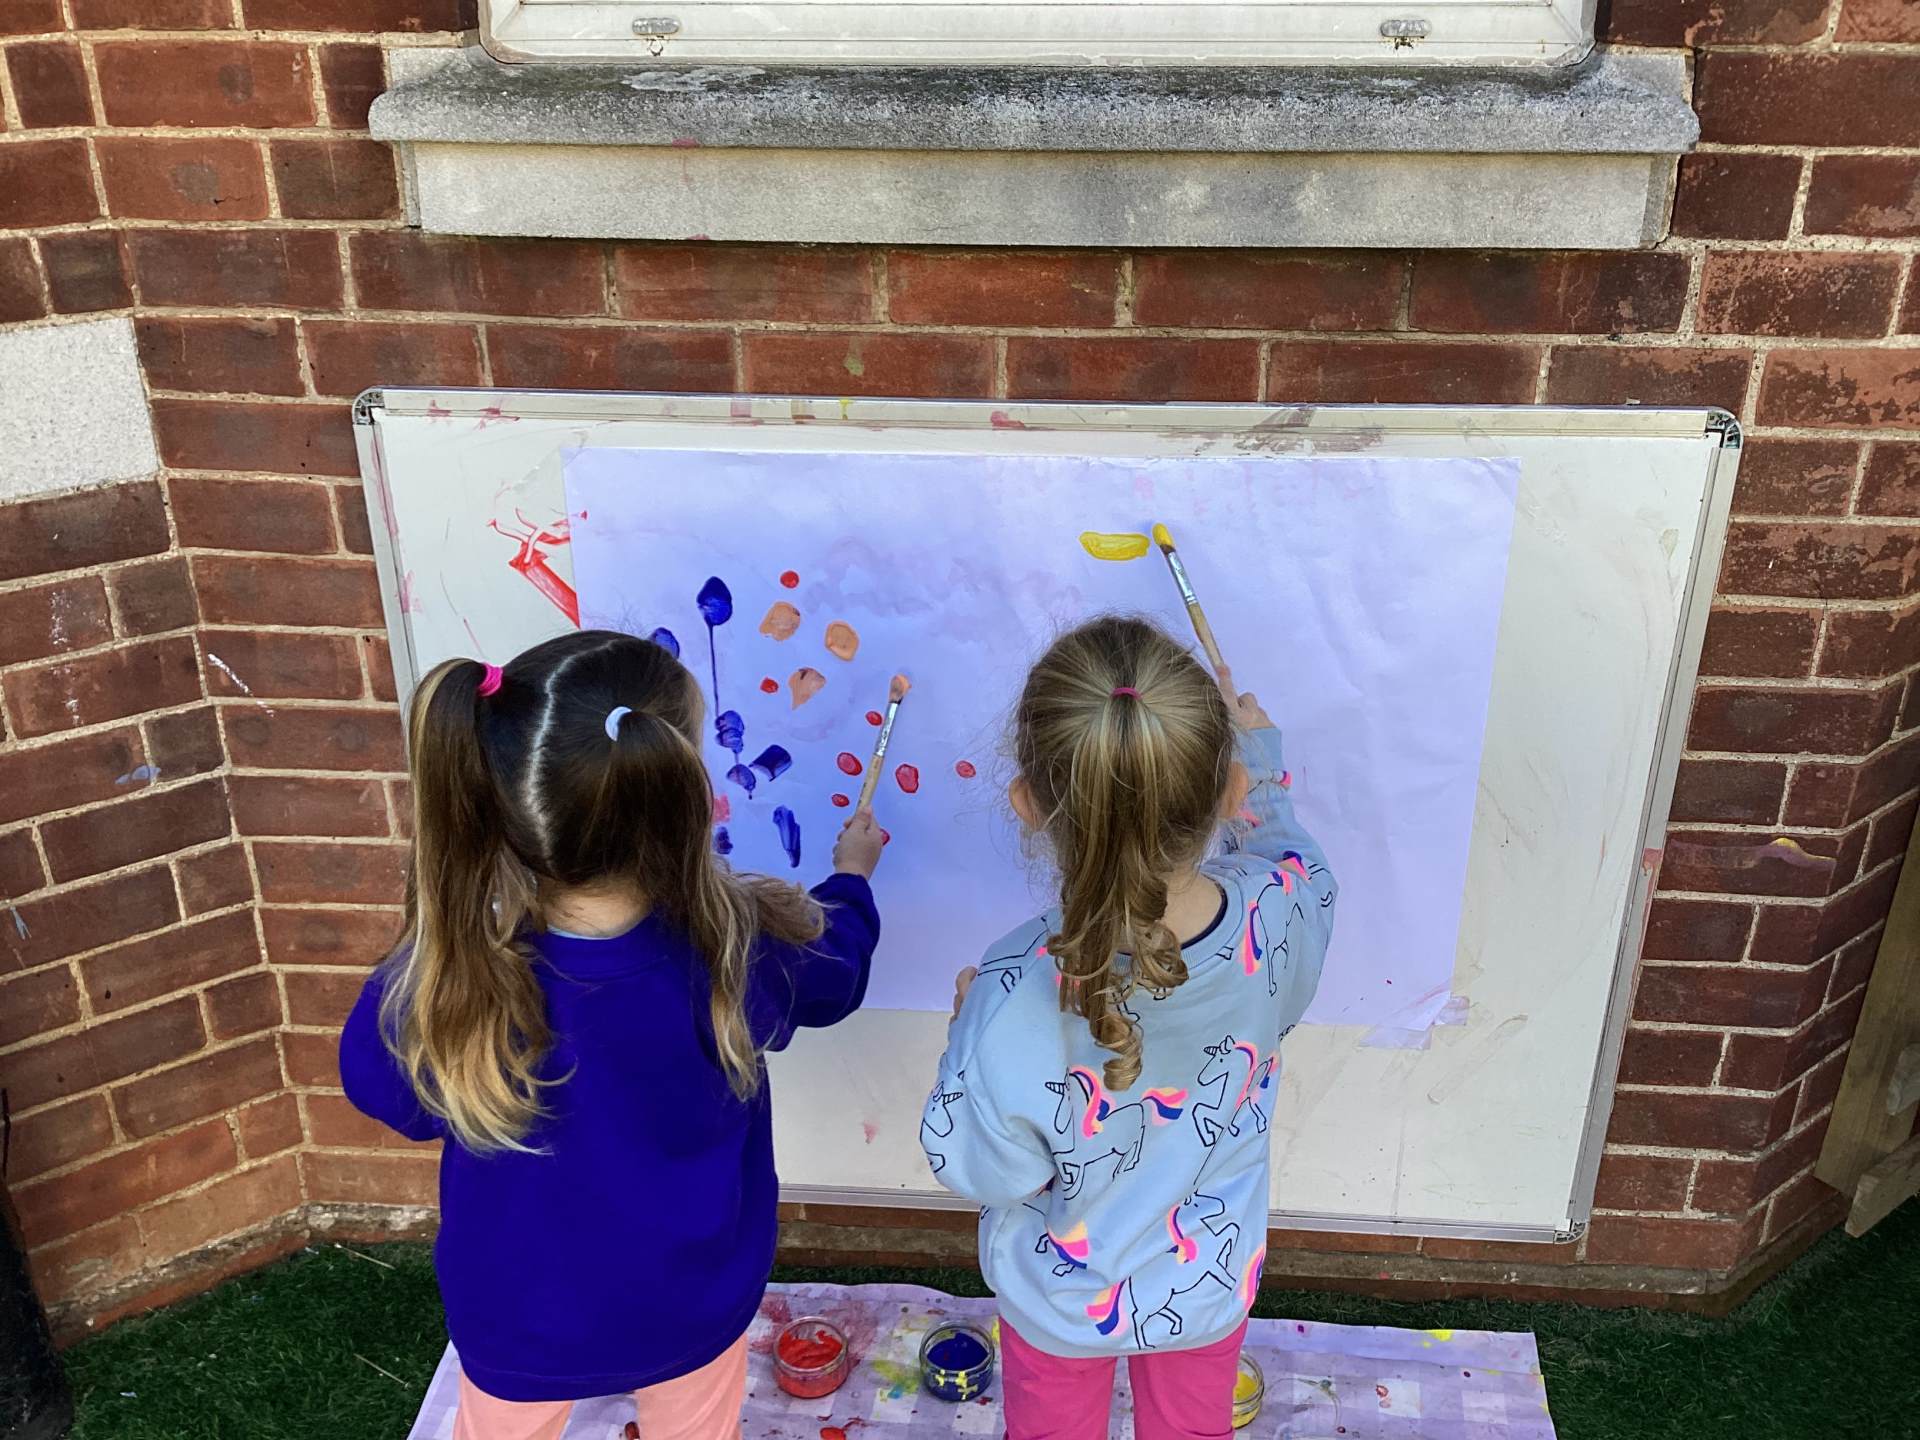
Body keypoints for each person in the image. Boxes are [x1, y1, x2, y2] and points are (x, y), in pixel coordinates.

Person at [340, 630, 884, 1440]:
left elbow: (383, 1091)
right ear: (681, 795)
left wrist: (436, 957)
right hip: (690, 1307)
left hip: (517, 1319)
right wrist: (852, 879)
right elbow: (836, 971)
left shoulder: (451, 980)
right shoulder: (740, 947)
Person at [920, 615, 1336, 1440]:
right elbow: (1298, 860)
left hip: (1059, 1302)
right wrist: (1264, 774)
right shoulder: (1282, 910)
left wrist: (966, 1041)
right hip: (1207, 1285)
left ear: (1028, 804)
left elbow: (984, 1170)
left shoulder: (1010, 989)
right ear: (1228, 794)